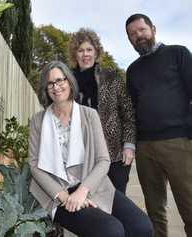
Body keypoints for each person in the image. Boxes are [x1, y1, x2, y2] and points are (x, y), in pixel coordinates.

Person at [28, 60, 153, 237]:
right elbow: (34, 165)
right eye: (50, 83)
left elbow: (103, 160)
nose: (56, 87)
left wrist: (82, 192)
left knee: (142, 227)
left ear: (70, 82)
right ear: (46, 88)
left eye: (60, 80)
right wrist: (65, 197)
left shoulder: (89, 115)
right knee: (111, 231)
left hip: (91, 185)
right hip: (56, 194)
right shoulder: (38, 121)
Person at [125, 13, 192, 237]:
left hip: (178, 143)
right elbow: (133, 108)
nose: (138, 36)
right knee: (155, 211)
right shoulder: (132, 70)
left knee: (189, 207)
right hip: (145, 148)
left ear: (153, 28)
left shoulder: (178, 54)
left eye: (141, 30)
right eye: (132, 34)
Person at [68, 28, 136, 194]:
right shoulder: (67, 81)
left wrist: (129, 144)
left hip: (114, 154)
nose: (85, 54)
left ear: (96, 52)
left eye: (89, 49)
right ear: (75, 54)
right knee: (88, 201)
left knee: (117, 200)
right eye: (81, 50)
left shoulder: (111, 76)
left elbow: (128, 113)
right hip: (81, 155)